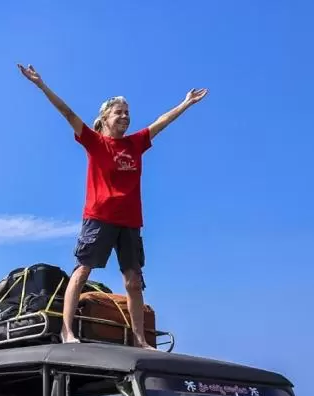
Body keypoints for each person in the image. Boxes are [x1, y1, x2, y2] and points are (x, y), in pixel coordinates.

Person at [18, 63, 207, 348]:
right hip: (99, 217)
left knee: (133, 281)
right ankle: (67, 331)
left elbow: (162, 121)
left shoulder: (136, 143)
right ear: (105, 118)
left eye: (127, 113)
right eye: (118, 112)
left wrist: (185, 103)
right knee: (83, 270)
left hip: (130, 221)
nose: (125, 116)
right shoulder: (94, 143)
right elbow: (67, 113)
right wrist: (41, 85)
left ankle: (140, 339)